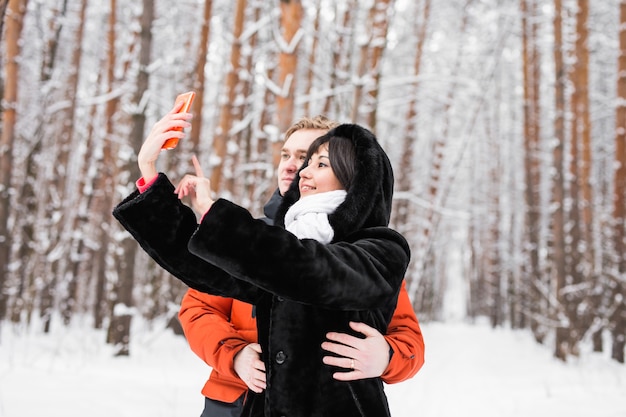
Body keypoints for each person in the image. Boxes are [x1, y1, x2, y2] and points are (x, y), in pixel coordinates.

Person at [112, 105, 414, 416]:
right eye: (294, 158)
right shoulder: (264, 243)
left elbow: (311, 269)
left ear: (355, 179)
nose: (301, 171)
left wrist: (389, 357)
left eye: (317, 162)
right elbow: (202, 267)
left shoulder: (381, 249)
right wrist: (149, 171)